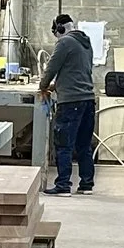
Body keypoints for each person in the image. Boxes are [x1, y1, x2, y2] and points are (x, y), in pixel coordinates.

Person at [38, 12, 95, 195]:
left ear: (60, 29)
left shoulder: (65, 42)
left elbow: (51, 68)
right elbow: (77, 71)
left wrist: (43, 86)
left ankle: (63, 185)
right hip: (88, 100)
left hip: (70, 103)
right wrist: (58, 85)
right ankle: (86, 184)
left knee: (64, 144)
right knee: (84, 145)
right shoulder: (86, 43)